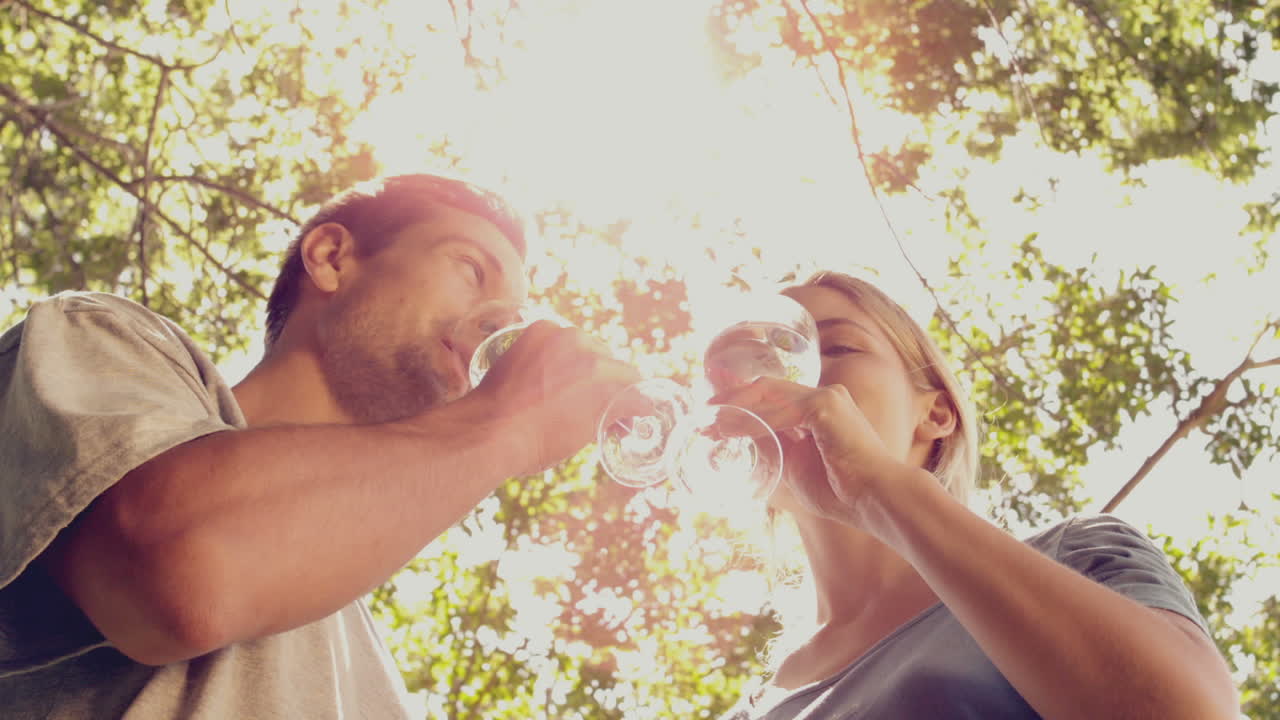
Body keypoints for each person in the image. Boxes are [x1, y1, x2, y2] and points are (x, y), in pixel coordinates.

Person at [0, 173, 640, 718]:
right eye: (472, 269)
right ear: (332, 257)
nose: (502, 325)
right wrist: (507, 424)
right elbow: (175, 573)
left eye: (516, 314)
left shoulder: (375, 679)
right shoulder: (105, 338)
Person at [709, 271, 1239, 719]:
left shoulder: (1078, 553)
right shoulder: (752, 710)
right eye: (756, 364)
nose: (781, 382)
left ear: (936, 413)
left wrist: (875, 487)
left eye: (837, 347)